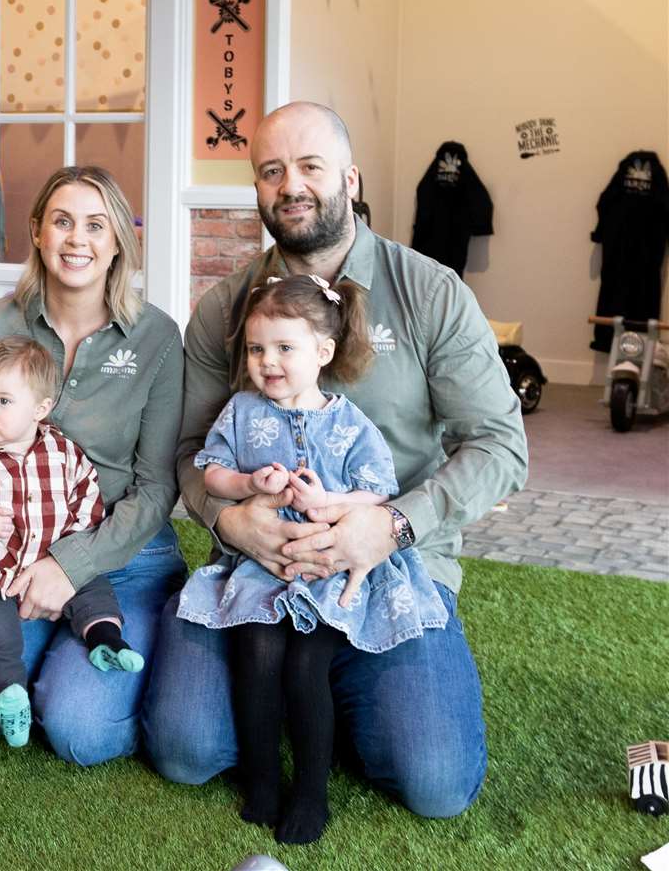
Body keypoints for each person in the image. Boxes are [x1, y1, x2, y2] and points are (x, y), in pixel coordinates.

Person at [144, 101, 528, 819]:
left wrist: (390, 527)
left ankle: (336, 693)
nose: (291, 185)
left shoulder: (429, 292)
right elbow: (189, 452)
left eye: (310, 166)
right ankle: (292, 687)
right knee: (185, 752)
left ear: (349, 179)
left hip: (390, 571)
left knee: (435, 784)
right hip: (257, 573)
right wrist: (230, 522)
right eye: (271, 171)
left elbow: (503, 445)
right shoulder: (225, 311)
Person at [0, 166, 186, 764]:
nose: (76, 239)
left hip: (118, 557)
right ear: (36, 232)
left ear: (119, 240)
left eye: (96, 225)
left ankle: (110, 661)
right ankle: (32, 665)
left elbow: (158, 485)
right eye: (62, 222)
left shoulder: (157, 337)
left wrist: (71, 563)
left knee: (79, 731)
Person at [180, 273, 447, 844]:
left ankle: (311, 792)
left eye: (284, 348)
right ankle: (262, 779)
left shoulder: (348, 422)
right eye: (256, 349)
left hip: (329, 573)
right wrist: (248, 480)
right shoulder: (241, 411)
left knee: (305, 668)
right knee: (256, 651)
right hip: (261, 563)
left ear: (322, 352)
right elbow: (211, 471)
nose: (267, 362)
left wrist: (330, 501)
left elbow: (377, 489)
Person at [0, 335, 144, 749]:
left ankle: (105, 641)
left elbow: (87, 495)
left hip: (56, 562)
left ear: (41, 409)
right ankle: (8, 694)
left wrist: (70, 549)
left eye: (4, 401)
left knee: (95, 592)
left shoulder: (63, 453)